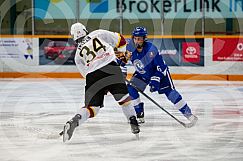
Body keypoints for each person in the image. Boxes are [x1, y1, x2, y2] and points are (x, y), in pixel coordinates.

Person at [61, 22, 140, 142]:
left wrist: (102, 85)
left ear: (74, 37)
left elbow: (86, 75)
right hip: (111, 68)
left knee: (92, 108)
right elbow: (121, 40)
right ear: (85, 30)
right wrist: (122, 56)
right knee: (124, 99)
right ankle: (133, 120)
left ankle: (75, 120)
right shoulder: (97, 34)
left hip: (93, 75)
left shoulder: (77, 55)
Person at [123, 26, 198, 125]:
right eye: (135, 38)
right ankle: (139, 114)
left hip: (159, 74)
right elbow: (121, 60)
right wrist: (122, 71)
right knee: (131, 90)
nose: (137, 41)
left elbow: (161, 67)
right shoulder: (129, 47)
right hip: (142, 74)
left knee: (171, 94)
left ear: (144, 39)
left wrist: (155, 80)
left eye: (139, 39)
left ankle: (189, 115)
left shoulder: (151, 49)